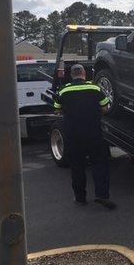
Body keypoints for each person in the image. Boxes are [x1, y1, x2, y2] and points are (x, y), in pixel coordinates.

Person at [54, 64, 115, 209]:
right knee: (99, 164)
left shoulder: (63, 90)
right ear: (83, 74)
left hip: (73, 136)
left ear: (72, 75)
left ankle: (80, 198)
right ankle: (102, 195)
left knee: (77, 167)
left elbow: (57, 109)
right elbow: (105, 108)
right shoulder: (95, 88)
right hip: (93, 133)